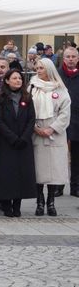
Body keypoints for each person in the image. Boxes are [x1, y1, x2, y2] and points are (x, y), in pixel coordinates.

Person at [29, 58, 71, 216]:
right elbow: (27, 109)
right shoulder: (32, 87)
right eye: (37, 68)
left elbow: (65, 114)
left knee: (53, 170)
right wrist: (34, 127)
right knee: (38, 170)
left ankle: (51, 202)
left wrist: (52, 129)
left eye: (42, 68)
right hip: (36, 132)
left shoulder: (60, 89)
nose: (38, 70)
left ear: (49, 69)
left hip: (55, 134)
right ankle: (39, 202)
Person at [0, 69, 37, 217]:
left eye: (20, 78)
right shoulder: (0, 98)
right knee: (7, 174)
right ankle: (6, 204)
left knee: (21, 174)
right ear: (7, 80)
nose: (18, 81)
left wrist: (24, 137)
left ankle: (17, 204)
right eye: (14, 78)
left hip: (23, 143)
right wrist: (12, 137)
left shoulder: (27, 97)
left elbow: (31, 119)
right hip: (6, 143)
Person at [59, 47, 79, 197]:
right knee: (60, 155)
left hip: (77, 119)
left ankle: (75, 186)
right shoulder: (57, 75)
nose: (71, 59)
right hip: (61, 119)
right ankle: (58, 186)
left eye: (73, 56)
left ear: (77, 58)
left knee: (77, 156)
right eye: (68, 57)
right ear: (63, 59)